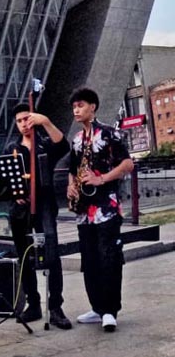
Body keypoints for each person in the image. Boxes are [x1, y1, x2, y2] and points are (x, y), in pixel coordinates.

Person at [66, 87, 134, 332]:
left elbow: (128, 164)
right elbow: (73, 169)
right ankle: (97, 308)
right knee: (90, 260)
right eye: (74, 107)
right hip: (84, 211)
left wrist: (101, 179)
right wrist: (71, 186)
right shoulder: (76, 139)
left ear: (92, 107)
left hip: (106, 207)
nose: (76, 110)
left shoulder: (109, 133)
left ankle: (110, 311)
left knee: (109, 258)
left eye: (80, 105)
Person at [6, 103, 71, 330]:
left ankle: (56, 307)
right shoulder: (11, 149)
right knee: (24, 256)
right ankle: (33, 303)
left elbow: (63, 146)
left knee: (52, 254)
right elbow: (2, 180)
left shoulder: (45, 144)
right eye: (19, 121)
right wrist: (14, 194)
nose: (24, 124)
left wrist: (45, 121)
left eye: (27, 118)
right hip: (20, 211)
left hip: (44, 206)